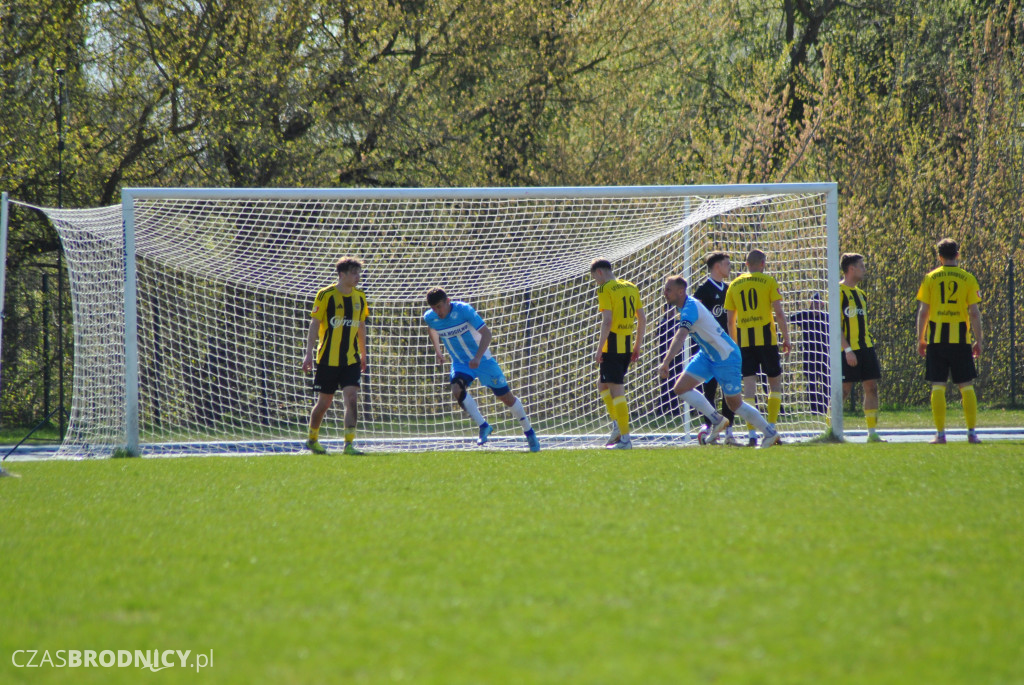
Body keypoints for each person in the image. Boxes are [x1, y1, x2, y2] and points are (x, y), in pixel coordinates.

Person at [658, 275, 780, 449]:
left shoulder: (689, 307)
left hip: (725, 356)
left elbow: (681, 336)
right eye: (665, 289)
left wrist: (666, 361)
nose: (665, 293)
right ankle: (717, 420)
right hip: (708, 355)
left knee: (735, 404)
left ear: (680, 291)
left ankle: (770, 433)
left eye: (668, 289)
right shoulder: (685, 306)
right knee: (681, 388)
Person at [424, 288, 540, 452]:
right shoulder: (430, 317)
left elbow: (487, 334)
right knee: (457, 389)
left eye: (439, 307)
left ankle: (529, 432)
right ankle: (483, 426)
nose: (436, 311)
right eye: (433, 308)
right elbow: (432, 328)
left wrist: (477, 357)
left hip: (483, 360)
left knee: (506, 398)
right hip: (460, 363)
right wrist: (438, 351)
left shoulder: (464, 310)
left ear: (448, 301)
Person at [916, 238, 984, 444]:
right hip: (961, 341)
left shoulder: (931, 278)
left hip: (937, 341)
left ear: (939, 256)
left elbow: (923, 311)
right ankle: (972, 433)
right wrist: (979, 340)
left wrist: (920, 338)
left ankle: (940, 434)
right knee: (966, 385)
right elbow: (974, 312)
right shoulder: (968, 278)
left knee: (938, 386)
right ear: (958, 255)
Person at [301, 256, 369, 455]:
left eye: (359, 272)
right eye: (354, 273)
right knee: (324, 403)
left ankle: (349, 444)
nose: (358, 277)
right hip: (327, 359)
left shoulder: (360, 297)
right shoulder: (325, 295)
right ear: (342, 275)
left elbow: (361, 326)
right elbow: (314, 324)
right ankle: (312, 439)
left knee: (352, 397)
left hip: (351, 359)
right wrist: (308, 354)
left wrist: (364, 354)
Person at [724, 249, 791, 445]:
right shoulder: (769, 281)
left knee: (749, 390)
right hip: (767, 341)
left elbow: (730, 321)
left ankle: (752, 434)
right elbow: (778, 312)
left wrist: (734, 345)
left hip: (744, 343)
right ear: (763, 263)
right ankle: (770, 428)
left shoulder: (734, 284)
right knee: (775, 384)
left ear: (746, 264)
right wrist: (786, 338)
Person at [590, 259, 647, 450]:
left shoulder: (605, 288)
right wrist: (637, 345)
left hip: (612, 344)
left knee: (616, 391)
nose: (596, 283)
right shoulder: (631, 287)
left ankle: (625, 439)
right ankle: (617, 426)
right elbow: (642, 318)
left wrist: (599, 349)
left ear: (599, 273)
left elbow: (607, 321)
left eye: (595, 279)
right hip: (627, 344)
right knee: (602, 384)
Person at [837, 253, 884, 442]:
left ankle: (872, 433)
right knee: (844, 390)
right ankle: (832, 430)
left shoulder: (861, 294)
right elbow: (835, 325)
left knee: (871, 388)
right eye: (861, 266)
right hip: (847, 350)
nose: (864, 270)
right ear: (851, 269)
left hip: (866, 347)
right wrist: (847, 350)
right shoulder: (837, 292)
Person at [692, 251, 737, 443]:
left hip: (726, 349)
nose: (729, 267)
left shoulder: (730, 289)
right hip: (708, 349)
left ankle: (729, 431)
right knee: (709, 389)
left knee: (729, 390)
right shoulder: (702, 290)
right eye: (727, 264)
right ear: (717, 266)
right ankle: (710, 426)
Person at [787, 293, 830, 415]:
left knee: (826, 381)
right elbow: (788, 319)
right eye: (814, 302)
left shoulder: (826, 317)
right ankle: (814, 410)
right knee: (811, 382)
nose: (816, 305)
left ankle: (826, 408)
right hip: (809, 355)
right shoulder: (805, 315)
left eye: (818, 303)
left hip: (824, 354)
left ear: (822, 304)